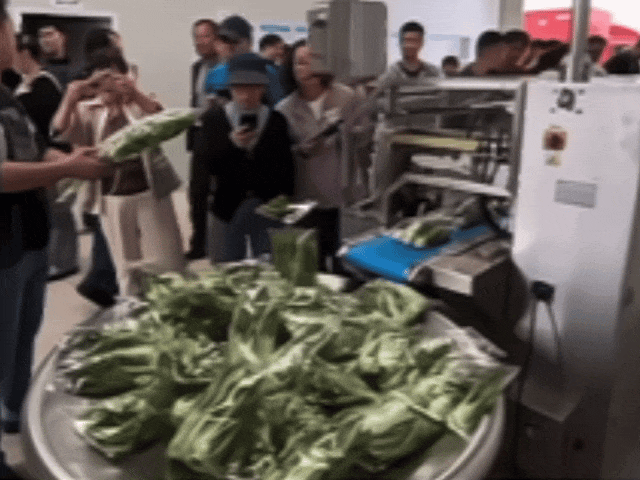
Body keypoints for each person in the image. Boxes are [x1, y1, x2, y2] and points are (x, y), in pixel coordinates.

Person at [0, 5, 111, 478]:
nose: (15, 37)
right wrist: (66, 168)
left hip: (31, 238)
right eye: (10, 28)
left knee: (23, 336)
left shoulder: (8, 96)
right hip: (4, 246)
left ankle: (14, 411)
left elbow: (33, 148)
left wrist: (69, 155)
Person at [51, 45, 186, 297]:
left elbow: (163, 120)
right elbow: (59, 130)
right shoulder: (88, 109)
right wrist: (71, 96)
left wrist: (134, 93)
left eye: (114, 75)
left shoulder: (138, 104)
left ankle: (171, 301)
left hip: (150, 192)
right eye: (102, 78)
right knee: (125, 266)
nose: (109, 84)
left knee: (168, 260)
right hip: (111, 197)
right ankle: (132, 306)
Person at [195, 53, 295, 263]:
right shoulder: (214, 120)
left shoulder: (276, 121)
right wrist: (232, 145)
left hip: (268, 207)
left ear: (263, 88)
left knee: (269, 268)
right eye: (239, 88)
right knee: (226, 268)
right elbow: (207, 166)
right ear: (230, 88)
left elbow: (286, 169)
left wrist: (285, 207)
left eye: (254, 87)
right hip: (226, 206)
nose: (246, 95)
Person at [277, 40, 365, 272]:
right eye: (300, 63)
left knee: (347, 269)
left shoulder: (347, 98)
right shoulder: (284, 110)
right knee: (305, 271)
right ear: (291, 70)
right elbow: (277, 157)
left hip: (344, 199)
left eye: (314, 61)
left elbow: (366, 139)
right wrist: (298, 150)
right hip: (304, 199)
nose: (308, 68)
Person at [14, 32, 81, 282]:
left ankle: (66, 262)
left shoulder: (45, 83)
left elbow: (50, 127)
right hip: (36, 160)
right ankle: (53, 258)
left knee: (60, 212)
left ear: (25, 53)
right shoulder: (24, 83)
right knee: (50, 213)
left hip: (53, 157)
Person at [186, 18, 218, 260]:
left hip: (221, 136)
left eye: (205, 36)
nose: (200, 41)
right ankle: (199, 243)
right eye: (196, 37)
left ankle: (218, 241)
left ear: (216, 38)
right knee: (196, 192)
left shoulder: (226, 66)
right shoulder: (197, 67)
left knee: (218, 193)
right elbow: (195, 100)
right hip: (199, 135)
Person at [204, 15, 285, 107]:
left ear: (249, 43)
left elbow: (278, 108)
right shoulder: (214, 74)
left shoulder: (267, 72)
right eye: (224, 39)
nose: (229, 45)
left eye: (234, 40)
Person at [375, 21, 440, 90]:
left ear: (421, 43)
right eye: (407, 40)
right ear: (400, 42)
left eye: (414, 41)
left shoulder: (432, 72)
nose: (410, 45)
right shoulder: (392, 74)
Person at [38, 24, 73, 90]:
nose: (45, 40)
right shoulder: (37, 72)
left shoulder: (77, 71)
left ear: (62, 37)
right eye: (41, 36)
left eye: (49, 34)